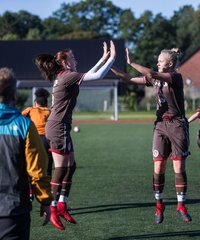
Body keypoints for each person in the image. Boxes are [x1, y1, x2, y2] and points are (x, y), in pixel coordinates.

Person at [34, 40, 116, 230]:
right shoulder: (66, 76)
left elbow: (90, 73)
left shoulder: (65, 74)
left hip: (62, 126)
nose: (76, 59)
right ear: (65, 62)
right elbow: (97, 76)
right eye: (73, 57)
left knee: (71, 166)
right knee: (61, 168)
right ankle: (52, 207)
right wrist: (112, 58)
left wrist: (103, 58)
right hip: (57, 127)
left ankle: (62, 203)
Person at [111, 48, 192, 224]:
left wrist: (132, 62)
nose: (157, 62)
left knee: (178, 168)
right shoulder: (154, 80)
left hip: (177, 125)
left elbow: (151, 73)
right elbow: (128, 79)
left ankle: (181, 206)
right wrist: (109, 65)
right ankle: (159, 205)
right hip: (160, 125)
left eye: (160, 60)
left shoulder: (175, 77)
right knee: (158, 168)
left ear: (170, 64)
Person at [0, 67, 52, 240]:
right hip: (13, 212)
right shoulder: (25, 126)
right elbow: (37, 170)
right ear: (14, 95)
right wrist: (45, 200)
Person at [22, 88, 53, 177]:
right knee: (48, 162)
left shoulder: (30, 110)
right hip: (47, 139)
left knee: (32, 161)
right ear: (46, 103)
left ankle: (32, 184)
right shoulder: (49, 111)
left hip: (33, 138)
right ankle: (48, 182)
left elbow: (19, 118)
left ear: (36, 103)